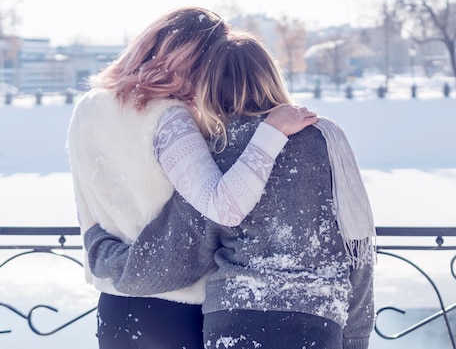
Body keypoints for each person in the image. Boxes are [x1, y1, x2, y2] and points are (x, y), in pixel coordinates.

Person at [83, 30, 377, 349]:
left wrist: (103, 251)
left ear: (208, 86)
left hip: (236, 319)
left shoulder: (219, 150)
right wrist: (356, 337)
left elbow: (175, 256)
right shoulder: (328, 138)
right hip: (316, 319)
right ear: (272, 75)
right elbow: (358, 244)